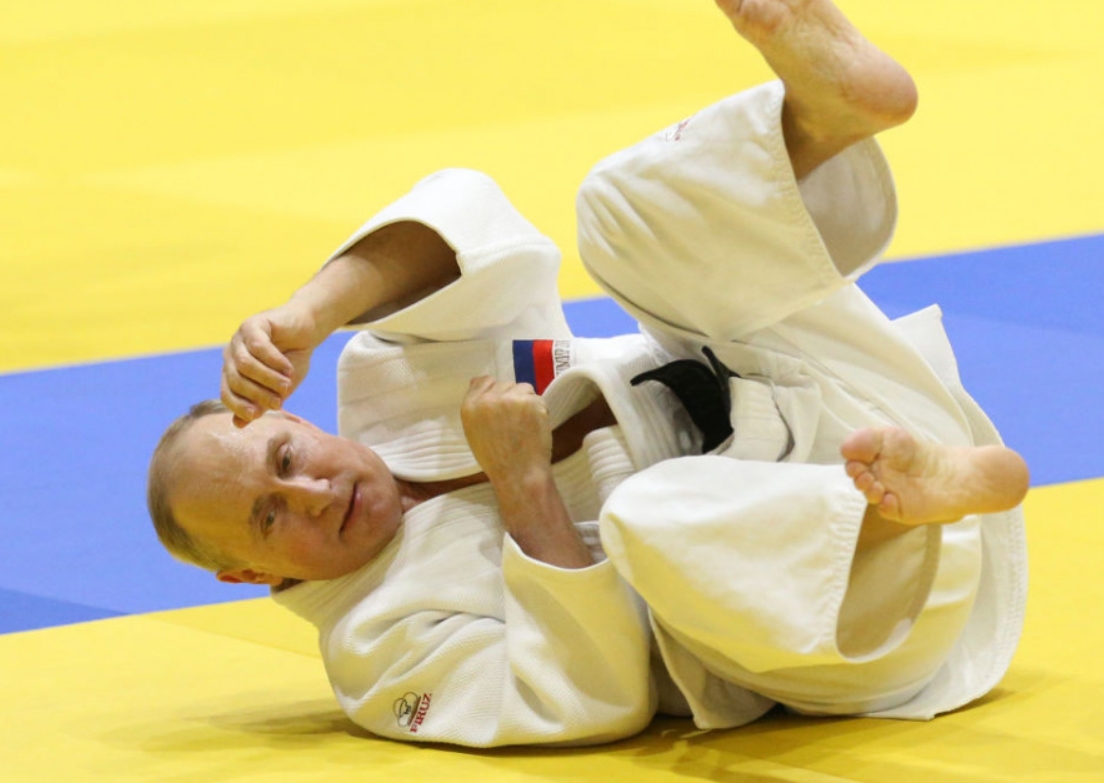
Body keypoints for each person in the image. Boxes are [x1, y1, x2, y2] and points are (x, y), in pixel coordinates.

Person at [147, 0, 1030, 748]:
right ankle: (895, 511)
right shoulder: (377, 653)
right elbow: (591, 700)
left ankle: (826, 119)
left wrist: (307, 315)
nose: (310, 492)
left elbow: (470, 217)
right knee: (649, 516)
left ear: (298, 421)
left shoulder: (387, 378)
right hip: (871, 615)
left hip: (851, 408)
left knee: (612, 212)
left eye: (286, 459)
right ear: (246, 573)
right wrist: (523, 484)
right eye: (269, 516)